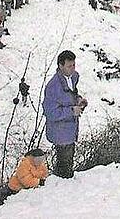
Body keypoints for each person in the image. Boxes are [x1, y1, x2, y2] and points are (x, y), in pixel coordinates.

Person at [43, 50, 87, 178]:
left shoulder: (73, 77)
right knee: (64, 167)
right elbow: (50, 112)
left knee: (68, 162)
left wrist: (78, 100)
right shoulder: (53, 86)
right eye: (69, 66)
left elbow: (69, 95)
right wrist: (72, 111)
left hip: (70, 129)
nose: (72, 69)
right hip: (60, 132)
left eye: (74, 65)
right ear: (60, 66)